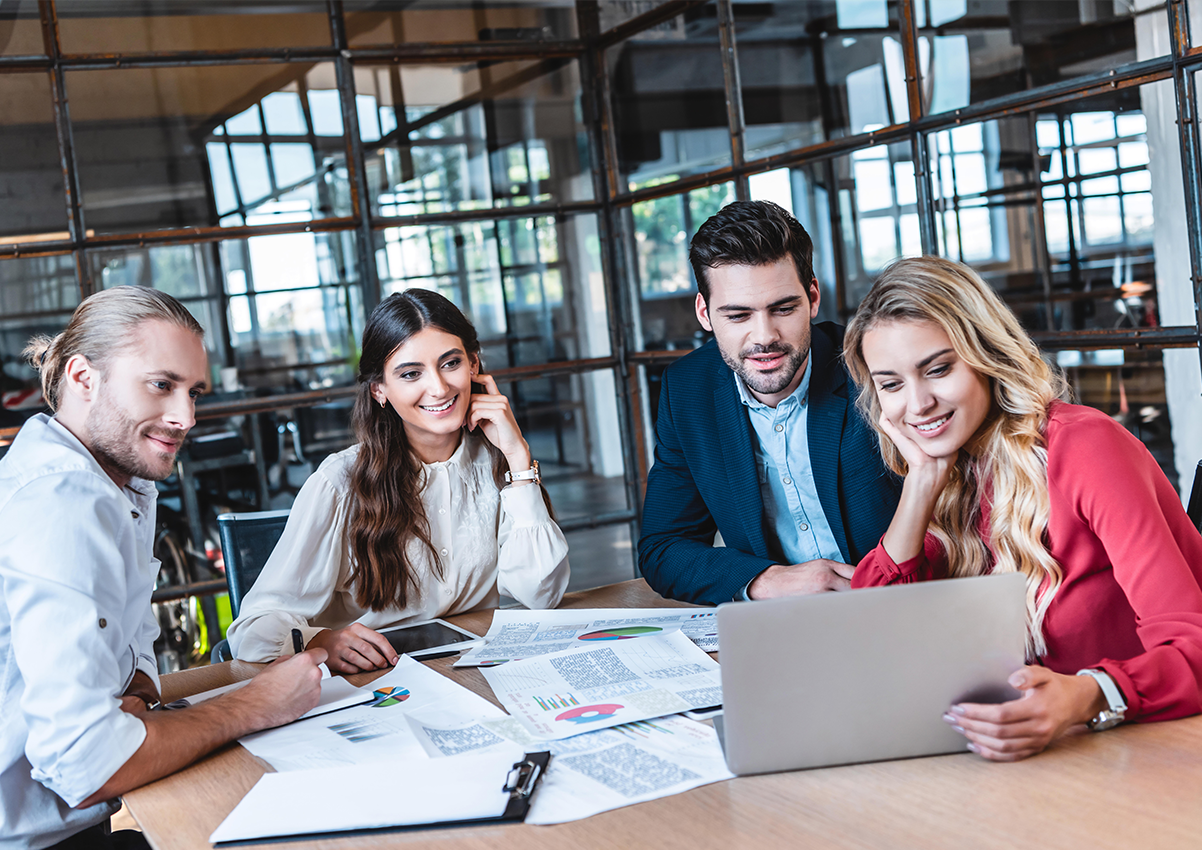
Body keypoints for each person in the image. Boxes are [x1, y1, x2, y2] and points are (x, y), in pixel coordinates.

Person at [0, 286, 327, 850]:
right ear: (82, 378)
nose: (185, 417)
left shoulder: (120, 476)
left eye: (193, 392)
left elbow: (134, 652)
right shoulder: (62, 500)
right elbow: (86, 765)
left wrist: (138, 700)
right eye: (161, 385)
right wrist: (256, 704)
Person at [844, 256, 1202, 761]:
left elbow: (1194, 645)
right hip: (1033, 765)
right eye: (892, 384)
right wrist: (921, 483)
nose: (918, 403)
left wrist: (1086, 694)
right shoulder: (949, 472)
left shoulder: (1084, 447)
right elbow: (871, 637)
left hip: (1146, 751)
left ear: (986, 355)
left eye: (939, 369)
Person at [227, 289, 570, 672]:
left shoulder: (498, 462)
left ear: (474, 365)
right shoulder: (339, 483)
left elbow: (541, 594)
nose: (439, 388)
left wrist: (519, 458)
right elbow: (250, 632)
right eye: (410, 374)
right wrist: (319, 641)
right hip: (371, 685)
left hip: (475, 672)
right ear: (380, 390)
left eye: (451, 363)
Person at [638, 200, 900, 605]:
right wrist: (767, 580)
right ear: (705, 313)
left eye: (782, 308)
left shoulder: (874, 365)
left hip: (903, 606)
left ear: (812, 297)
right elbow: (663, 547)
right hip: (785, 624)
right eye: (738, 315)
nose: (764, 337)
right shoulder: (688, 391)